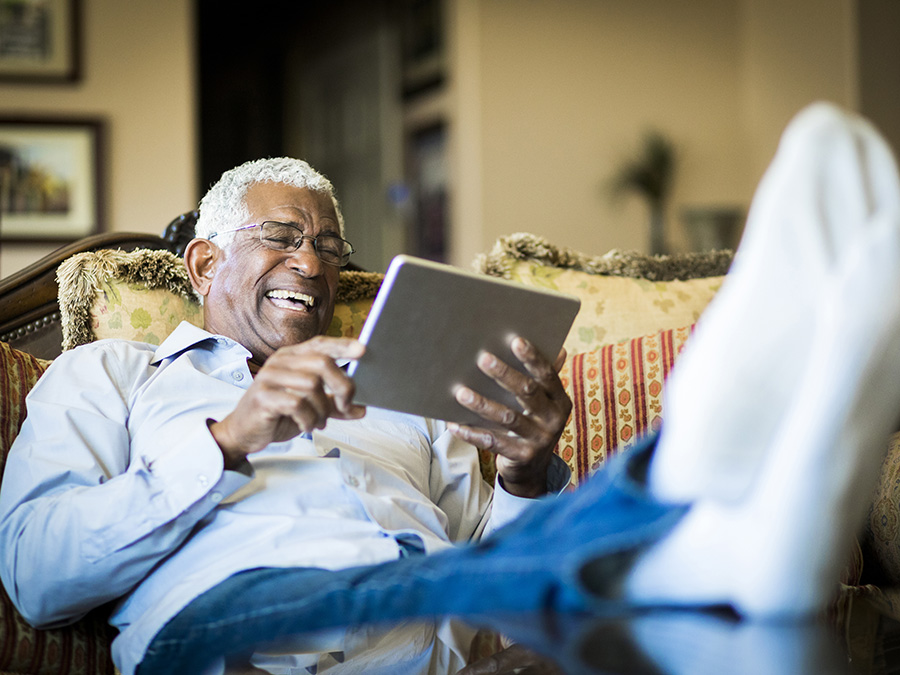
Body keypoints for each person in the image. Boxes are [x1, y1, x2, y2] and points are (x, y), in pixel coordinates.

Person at [3, 101, 900, 674]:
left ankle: (714, 511)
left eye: (327, 248)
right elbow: (39, 575)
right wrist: (229, 437)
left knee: (553, 542)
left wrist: (524, 465)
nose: (310, 264)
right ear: (204, 260)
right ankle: (712, 521)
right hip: (241, 638)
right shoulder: (113, 376)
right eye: (281, 237)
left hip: (440, 649)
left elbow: (488, 556)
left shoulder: (398, 382)